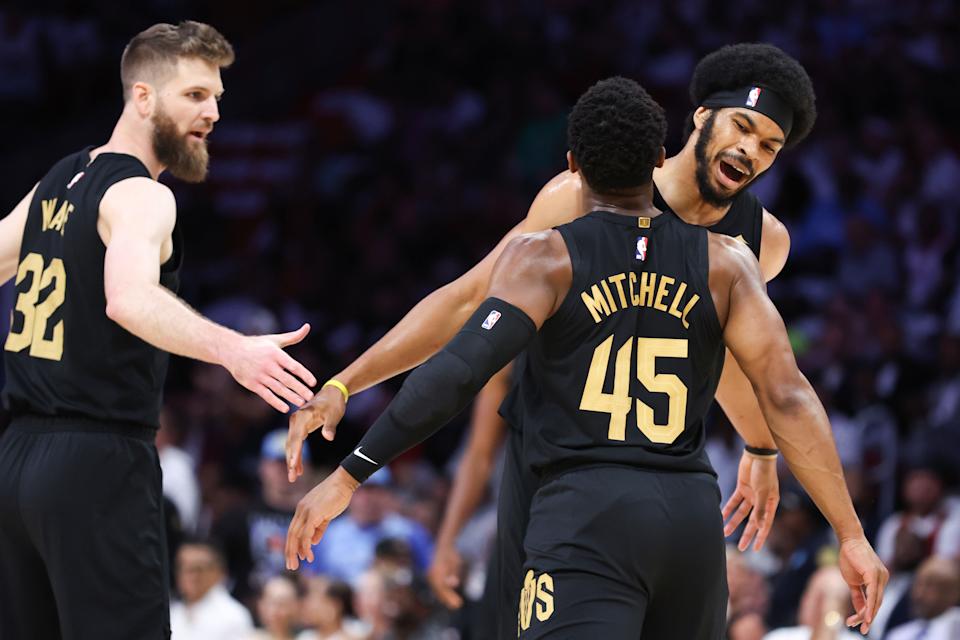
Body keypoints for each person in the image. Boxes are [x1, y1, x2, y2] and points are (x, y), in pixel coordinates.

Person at [285, 77, 887, 638]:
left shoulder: (746, 242)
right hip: (647, 487)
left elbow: (724, 367)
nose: (749, 149)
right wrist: (346, 382)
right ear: (690, 129)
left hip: (588, 488)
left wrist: (350, 470)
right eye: (740, 127)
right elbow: (465, 300)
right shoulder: (724, 258)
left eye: (769, 143)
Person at [0, 21, 317, 639]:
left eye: (218, 97)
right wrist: (233, 349)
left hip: (14, 464)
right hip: (95, 460)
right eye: (195, 95)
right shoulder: (142, 194)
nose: (214, 113)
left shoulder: (58, 179)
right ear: (143, 97)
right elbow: (130, 299)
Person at [170, 539, 255, 640]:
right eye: (182, 567)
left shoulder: (234, 615)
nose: (190, 576)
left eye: (197, 569)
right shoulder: (173, 611)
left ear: (219, 572)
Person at [886, 556, 960, 640]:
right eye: (918, 584)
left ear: (952, 593)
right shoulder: (898, 634)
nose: (919, 594)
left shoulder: (955, 629)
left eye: (929, 586)